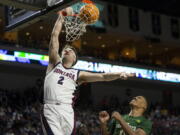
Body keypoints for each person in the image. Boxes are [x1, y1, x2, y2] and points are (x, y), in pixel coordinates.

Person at [40, 10, 135, 135]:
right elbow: (54, 36)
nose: (67, 50)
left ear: (74, 59)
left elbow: (103, 76)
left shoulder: (79, 74)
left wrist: (119, 74)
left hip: (67, 110)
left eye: (71, 50)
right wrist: (61, 17)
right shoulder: (54, 63)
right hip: (51, 108)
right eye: (65, 50)